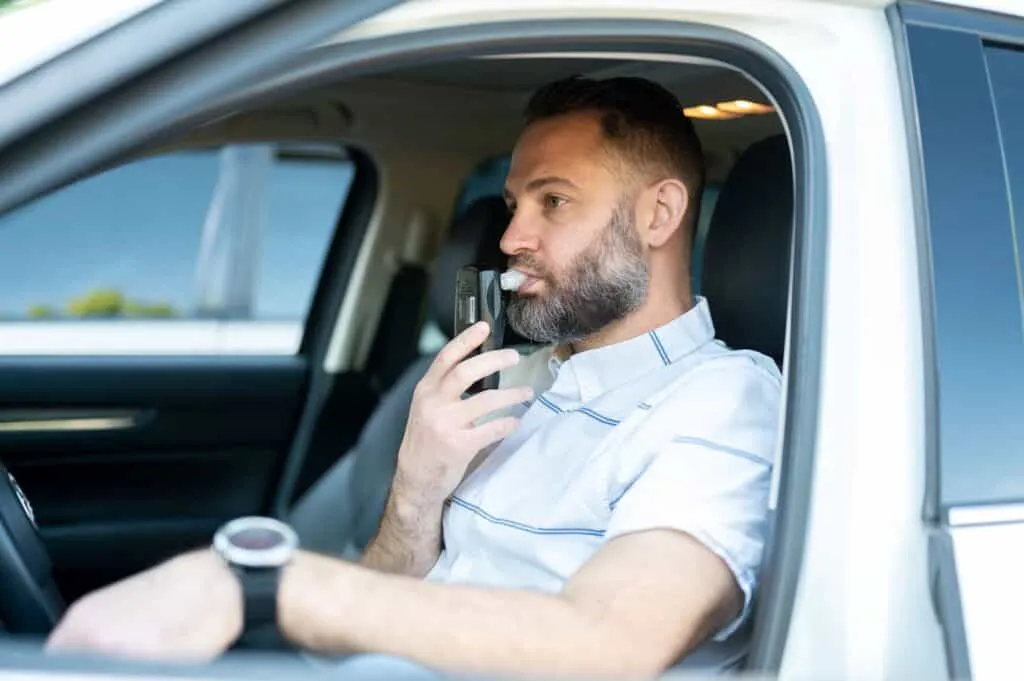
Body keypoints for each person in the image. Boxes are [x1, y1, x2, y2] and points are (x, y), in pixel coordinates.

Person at [44, 76, 781, 679]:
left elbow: (610, 641)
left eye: (553, 201)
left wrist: (260, 581)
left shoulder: (724, 401)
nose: (510, 237)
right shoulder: (518, 378)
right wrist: (415, 491)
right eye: (515, 203)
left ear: (659, 214)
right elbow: (348, 633)